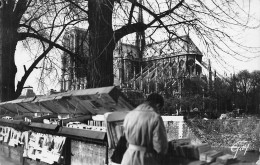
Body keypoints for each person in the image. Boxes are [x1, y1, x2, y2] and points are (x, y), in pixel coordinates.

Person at [121, 93, 168, 165]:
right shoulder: (155, 117)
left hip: (128, 157)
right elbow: (160, 146)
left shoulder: (129, 115)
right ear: (158, 105)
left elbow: (125, 138)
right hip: (145, 159)